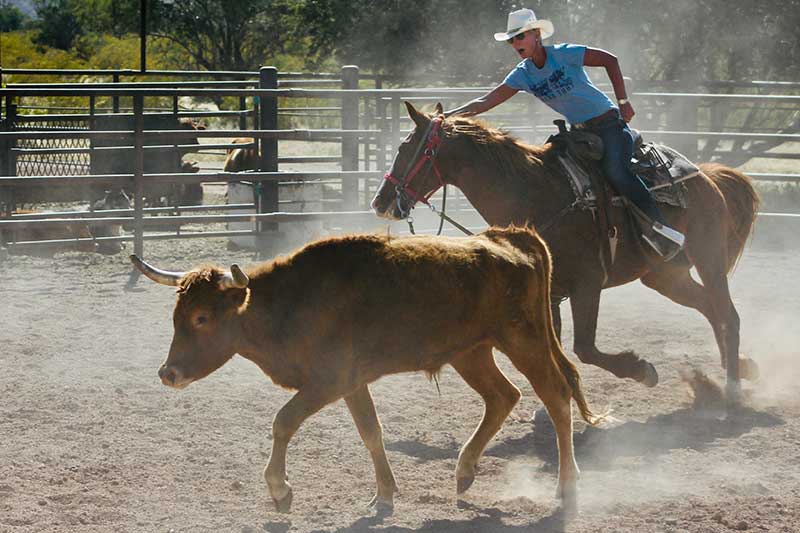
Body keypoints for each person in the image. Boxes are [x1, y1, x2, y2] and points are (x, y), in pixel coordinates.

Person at [444, 8, 684, 258]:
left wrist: (623, 102)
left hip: (609, 125)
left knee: (617, 172)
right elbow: (485, 101)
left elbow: (609, 60)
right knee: (550, 173)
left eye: (521, 36)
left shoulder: (564, 54)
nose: (516, 43)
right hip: (579, 133)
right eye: (512, 40)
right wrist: (447, 117)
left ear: (537, 34)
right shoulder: (523, 74)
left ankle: (662, 231)